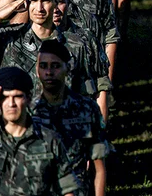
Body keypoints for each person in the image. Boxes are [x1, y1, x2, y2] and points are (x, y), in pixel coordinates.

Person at [32, 40, 112, 196]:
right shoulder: (27, 112)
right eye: (43, 66)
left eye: (55, 66)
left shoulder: (87, 108)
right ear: (37, 70)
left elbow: (99, 168)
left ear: (67, 68)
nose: (49, 72)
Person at [0, 66, 80, 196]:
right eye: (5, 97)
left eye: (17, 96)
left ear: (28, 98)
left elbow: (67, 189)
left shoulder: (49, 140)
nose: (11, 103)